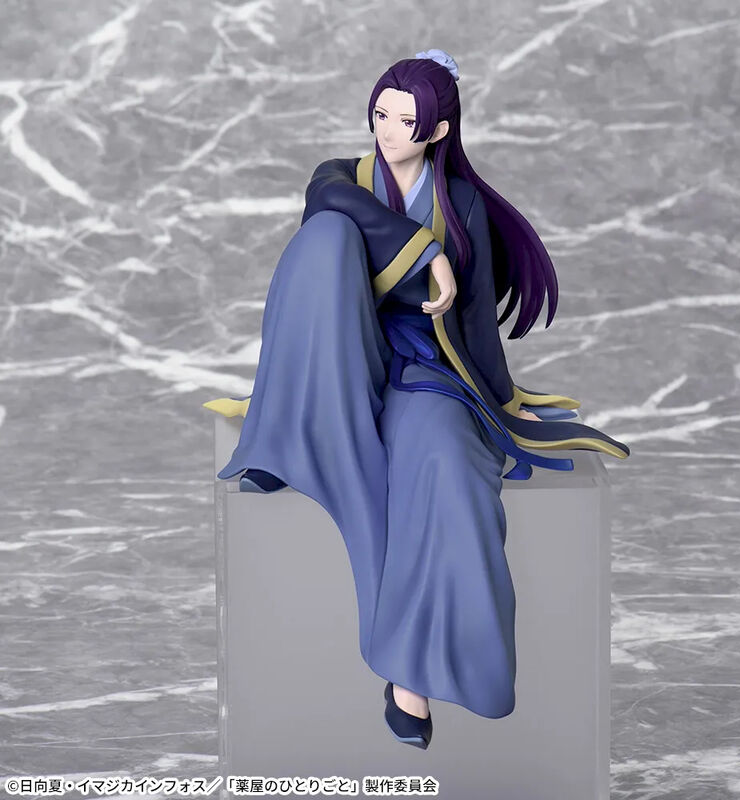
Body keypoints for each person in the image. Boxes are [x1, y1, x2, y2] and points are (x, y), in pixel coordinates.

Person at [203, 49, 630, 750]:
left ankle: (412, 675)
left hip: (426, 366)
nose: (388, 130)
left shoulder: (460, 202)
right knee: (325, 238)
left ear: (437, 130)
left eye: (407, 120)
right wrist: (424, 250)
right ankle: (289, 438)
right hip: (341, 353)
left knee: (451, 473)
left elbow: (475, 322)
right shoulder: (340, 177)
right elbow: (329, 204)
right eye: (380, 113)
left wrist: (501, 399)